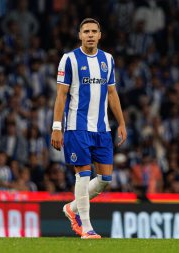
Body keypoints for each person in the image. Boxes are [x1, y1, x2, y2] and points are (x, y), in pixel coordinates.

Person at [51, 18, 127, 239]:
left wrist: (121, 122)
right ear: (80, 35)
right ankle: (87, 227)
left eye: (94, 31)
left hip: (102, 129)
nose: (91, 35)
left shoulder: (108, 60)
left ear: (100, 35)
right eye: (86, 31)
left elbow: (112, 93)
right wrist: (57, 127)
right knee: (83, 175)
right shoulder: (69, 59)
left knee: (105, 179)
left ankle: (71, 208)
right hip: (77, 127)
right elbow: (61, 95)